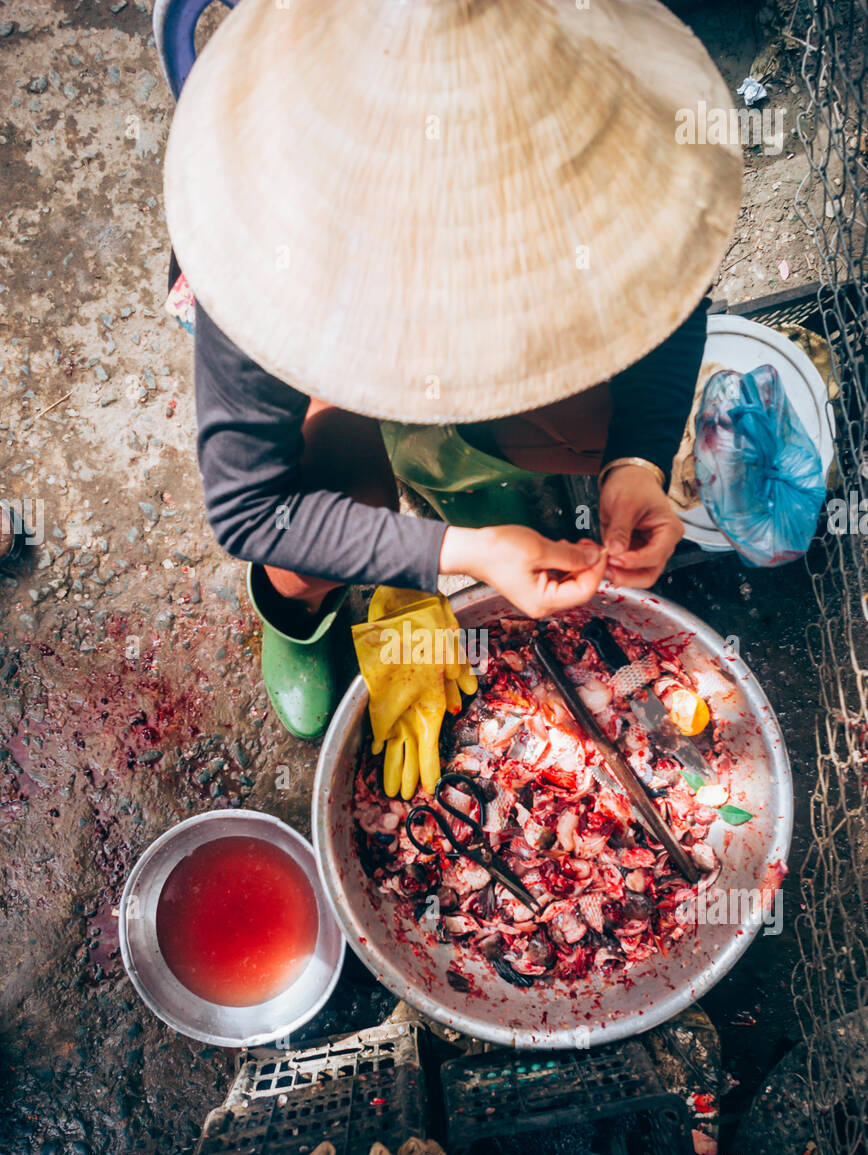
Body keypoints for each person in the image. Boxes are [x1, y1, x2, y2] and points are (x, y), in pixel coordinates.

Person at [164, 0, 742, 736]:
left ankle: (454, 469)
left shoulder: (586, 122)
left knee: (590, 425)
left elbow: (670, 285)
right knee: (335, 510)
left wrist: (638, 459)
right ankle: (300, 607)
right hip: (315, 332)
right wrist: (458, 553)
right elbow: (254, 508)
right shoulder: (260, 244)